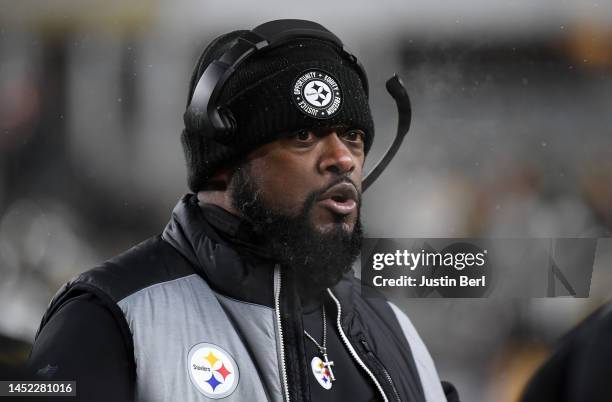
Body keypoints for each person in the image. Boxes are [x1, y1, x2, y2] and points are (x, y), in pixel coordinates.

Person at [28, 19, 459, 402]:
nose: (342, 158)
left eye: (352, 135)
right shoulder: (111, 319)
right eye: (304, 135)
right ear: (222, 165)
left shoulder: (393, 329)